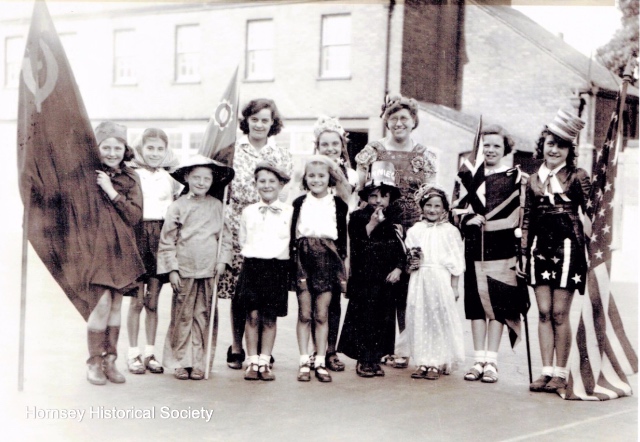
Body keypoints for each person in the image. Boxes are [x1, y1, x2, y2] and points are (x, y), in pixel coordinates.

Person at [354, 95, 437, 369]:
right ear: (386, 121)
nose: (399, 122)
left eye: (404, 118)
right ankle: (381, 348)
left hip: (413, 229)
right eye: (393, 117)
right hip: (380, 229)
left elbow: (430, 194)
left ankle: (405, 348)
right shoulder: (373, 150)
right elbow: (360, 189)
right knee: (382, 288)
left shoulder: (424, 155)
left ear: (414, 121)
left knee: (410, 289)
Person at [217, 98, 293, 370]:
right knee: (242, 292)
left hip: (269, 229)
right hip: (238, 223)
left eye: (265, 120)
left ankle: (263, 351)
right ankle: (239, 347)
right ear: (247, 120)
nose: (260, 124)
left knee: (265, 295)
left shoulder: (281, 153)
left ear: (273, 123)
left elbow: (283, 191)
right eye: (255, 119)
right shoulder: (233, 150)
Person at [522, 109, 590, 394]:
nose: (554, 149)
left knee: (560, 313)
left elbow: (592, 213)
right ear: (543, 145)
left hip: (568, 249)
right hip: (540, 250)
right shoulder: (533, 179)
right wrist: (523, 253)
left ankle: (561, 373)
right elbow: (527, 217)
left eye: (561, 145)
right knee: (543, 311)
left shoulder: (578, 176)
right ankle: (546, 371)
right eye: (550, 143)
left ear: (569, 150)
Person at [455, 125, 526, 384]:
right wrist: (468, 220)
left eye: (496, 145)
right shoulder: (467, 176)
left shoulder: (516, 178)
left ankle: (492, 362)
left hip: (504, 248)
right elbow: (455, 211)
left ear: (506, 149)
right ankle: (477, 360)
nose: (490, 149)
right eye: (486, 145)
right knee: (475, 306)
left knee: (498, 306)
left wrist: (523, 253)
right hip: (475, 246)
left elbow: (523, 215)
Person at [157, 154, 234, 380]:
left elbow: (226, 238)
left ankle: (200, 361)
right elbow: (167, 240)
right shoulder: (178, 206)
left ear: (212, 181)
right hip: (184, 270)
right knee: (183, 316)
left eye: (206, 179)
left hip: (209, 270)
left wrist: (222, 261)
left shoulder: (217, 206)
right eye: (196, 177)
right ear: (187, 178)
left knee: (204, 315)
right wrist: (172, 269)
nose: (201, 182)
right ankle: (181, 361)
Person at [87, 121, 144, 385]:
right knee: (101, 306)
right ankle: (94, 362)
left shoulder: (131, 178)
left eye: (117, 147)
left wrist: (111, 191)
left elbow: (134, 216)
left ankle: (110, 361)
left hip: (122, 248)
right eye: (106, 147)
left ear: (125, 149)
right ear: (97, 148)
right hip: (95, 249)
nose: (111, 152)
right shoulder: (86, 174)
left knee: (116, 306)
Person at [338, 161, 405, 378]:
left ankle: (375, 357)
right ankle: (363, 358)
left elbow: (400, 248)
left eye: (383, 196)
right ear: (366, 197)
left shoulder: (394, 219)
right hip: (365, 278)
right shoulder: (357, 218)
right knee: (364, 317)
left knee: (383, 318)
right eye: (374, 196)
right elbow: (358, 246)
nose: (379, 201)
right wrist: (372, 225)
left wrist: (398, 268)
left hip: (386, 278)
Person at [126, 128, 182, 375]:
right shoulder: (132, 174)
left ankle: (150, 352)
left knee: (152, 301)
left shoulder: (171, 179)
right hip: (138, 236)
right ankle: (133, 353)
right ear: (140, 149)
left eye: (160, 149)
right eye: (150, 148)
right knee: (136, 301)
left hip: (161, 238)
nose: (155, 153)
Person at [291, 155, 348, 383]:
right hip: (303, 258)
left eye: (321, 175)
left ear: (330, 178)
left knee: (322, 313)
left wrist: (344, 265)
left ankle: (321, 360)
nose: (316, 180)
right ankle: (304, 360)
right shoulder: (298, 203)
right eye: (311, 176)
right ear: (305, 178)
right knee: (305, 313)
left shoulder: (339, 204)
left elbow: (343, 239)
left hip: (328, 258)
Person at [309, 116, 359, 372]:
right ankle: (313, 350)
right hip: (316, 240)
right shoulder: (312, 171)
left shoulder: (351, 174)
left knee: (335, 297)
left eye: (334, 144)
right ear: (317, 146)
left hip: (342, 239)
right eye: (324, 144)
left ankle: (330, 350)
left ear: (342, 146)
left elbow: (353, 206)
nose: (330, 149)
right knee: (314, 298)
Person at [237, 162, 292, 381]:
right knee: (251, 315)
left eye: (272, 181)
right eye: (262, 181)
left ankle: (265, 360)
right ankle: (252, 361)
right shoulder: (248, 211)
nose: (267, 185)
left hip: (277, 268)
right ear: (255, 184)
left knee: (269, 317)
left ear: (280, 185)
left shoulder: (289, 212)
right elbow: (243, 239)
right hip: (253, 266)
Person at [404, 185, 465, 380]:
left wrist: (454, 286)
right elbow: (408, 257)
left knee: (438, 318)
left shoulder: (450, 231)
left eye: (437, 206)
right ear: (422, 207)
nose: (432, 210)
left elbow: (456, 260)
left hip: (440, 279)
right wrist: (411, 263)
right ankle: (422, 360)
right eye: (428, 205)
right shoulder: (416, 230)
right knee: (419, 316)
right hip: (420, 278)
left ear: (444, 209)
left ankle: (437, 361)